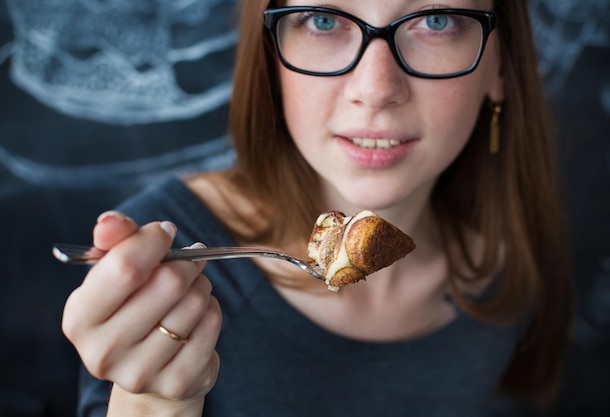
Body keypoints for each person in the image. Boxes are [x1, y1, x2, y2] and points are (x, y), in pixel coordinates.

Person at [61, 1, 574, 416]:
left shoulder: (518, 257)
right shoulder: (168, 262)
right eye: (322, 20)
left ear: (501, 65)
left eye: (435, 20)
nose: (375, 90)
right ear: (271, 57)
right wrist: (153, 404)